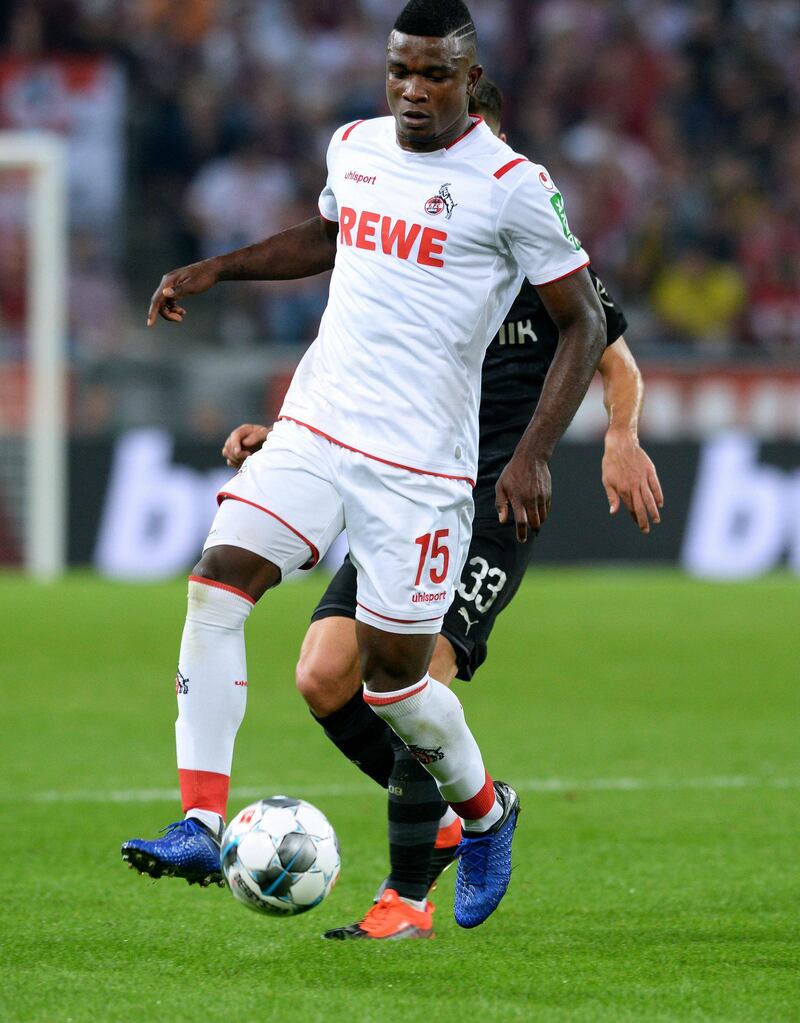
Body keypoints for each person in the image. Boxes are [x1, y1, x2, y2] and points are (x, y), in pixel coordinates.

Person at [121, 0, 607, 930]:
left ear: (470, 78)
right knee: (217, 585)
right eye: (399, 72)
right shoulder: (356, 144)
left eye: (433, 75)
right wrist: (216, 269)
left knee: (392, 682)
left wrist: (536, 453)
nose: (413, 92)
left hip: (418, 469)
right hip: (315, 424)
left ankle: (486, 812)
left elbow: (585, 319)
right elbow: (330, 235)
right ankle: (198, 816)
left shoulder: (510, 183)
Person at [220, 78, 664, 940]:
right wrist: (286, 437)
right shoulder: (413, 245)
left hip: (492, 496)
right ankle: (465, 808)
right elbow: (362, 364)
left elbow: (614, 356)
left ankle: (407, 899)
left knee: (406, 681)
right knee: (320, 675)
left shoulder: (527, 231)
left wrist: (621, 434)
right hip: (401, 484)